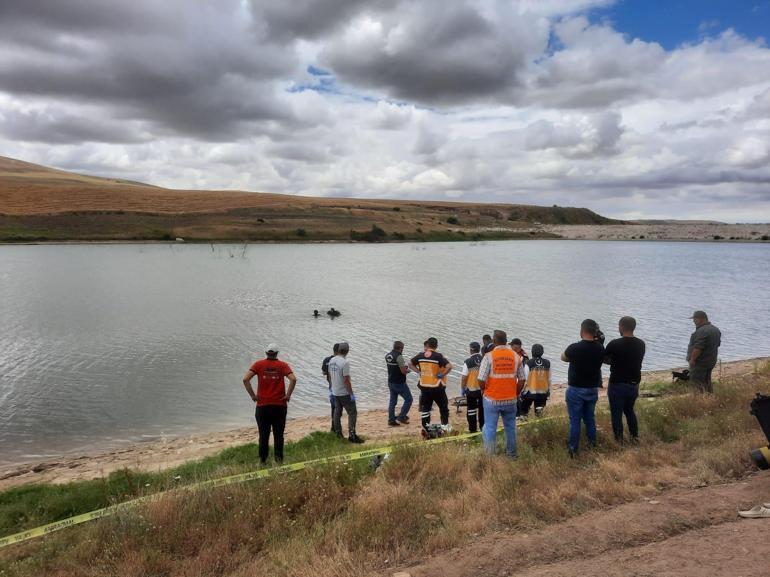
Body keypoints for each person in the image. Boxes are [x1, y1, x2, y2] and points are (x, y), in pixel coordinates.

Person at [242, 343, 297, 465]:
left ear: (266, 353)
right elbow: (293, 379)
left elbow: (245, 379)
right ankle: (279, 460)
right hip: (279, 406)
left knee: (263, 435)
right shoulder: (283, 365)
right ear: (277, 353)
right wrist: (288, 395)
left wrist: (253, 396)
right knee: (279, 435)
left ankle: (263, 461)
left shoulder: (258, 365)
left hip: (262, 406)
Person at [477, 330, 526, 457]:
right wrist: (515, 392)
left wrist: (484, 389)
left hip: (492, 399)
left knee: (490, 428)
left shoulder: (488, 356)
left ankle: (490, 457)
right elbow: (522, 379)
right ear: (506, 341)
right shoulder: (516, 356)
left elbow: (481, 379)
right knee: (510, 428)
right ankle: (512, 455)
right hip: (511, 399)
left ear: (494, 341)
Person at [561, 319, 605, 457]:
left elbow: (563, 357)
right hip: (592, 389)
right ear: (595, 332)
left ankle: (573, 450)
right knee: (590, 419)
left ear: (582, 330)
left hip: (576, 389)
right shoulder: (600, 348)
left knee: (575, 421)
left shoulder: (574, 348)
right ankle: (592, 445)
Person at [604, 316, 646, 443]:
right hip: (634, 383)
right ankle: (634, 438)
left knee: (616, 414)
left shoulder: (614, 344)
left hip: (617, 383)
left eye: (618, 326)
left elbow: (604, 359)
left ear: (621, 326)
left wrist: (614, 361)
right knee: (629, 411)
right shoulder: (641, 344)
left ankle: (619, 441)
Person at [410, 337, 453, 434]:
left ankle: (426, 428)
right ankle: (445, 426)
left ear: (427, 345)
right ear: (436, 346)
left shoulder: (420, 355)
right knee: (443, 407)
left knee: (426, 408)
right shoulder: (438, 356)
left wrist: (419, 372)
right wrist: (442, 374)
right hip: (437, 387)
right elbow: (449, 366)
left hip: (424, 386)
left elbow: (410, 364)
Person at [328, 342, 364, 443]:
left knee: (337, 412)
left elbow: (330, 376)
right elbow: (346, 380)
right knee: (352, 412)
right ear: (347, 351)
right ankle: (352, 435)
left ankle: (338, 433)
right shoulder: (345, 362)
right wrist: (351, 394)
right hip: (344, 393)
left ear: (338, 350)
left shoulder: (332, 360)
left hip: (335, 392)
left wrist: (331, 389)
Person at [687, 311, 721, 394]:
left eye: (695, 319)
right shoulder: (715, 329)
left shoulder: (701, 331)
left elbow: (698, 348)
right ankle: (709, 398)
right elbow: (718, 344)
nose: (693, 321)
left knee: (697, 382)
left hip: (700, 362)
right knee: (707, 381)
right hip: (711, 361)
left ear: (701, 319)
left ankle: (699, 401)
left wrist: (692, 359)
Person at [519, 344, 551, 418]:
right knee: (539, 414)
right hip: (543, 392)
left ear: (532, 352)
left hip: (529, 393)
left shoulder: (529, 363)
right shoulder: (547, 363)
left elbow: (525, 379)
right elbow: (549, 379)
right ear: (542, 352)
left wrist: (521, 392)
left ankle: (524, 419)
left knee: (524, 412)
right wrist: (548, 392)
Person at [386, 341, 412, 426]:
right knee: (409, 399)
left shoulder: (388, 355)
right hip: (399, 383)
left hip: (391, 381)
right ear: (401, 348)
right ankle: (401, 417)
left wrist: (402, 367)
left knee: (392, 401)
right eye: (403, 348)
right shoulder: (399, 357)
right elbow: (403, 371)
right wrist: (408, 370)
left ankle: (391, 420)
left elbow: (394, 367)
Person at [460, 342, 484, 432]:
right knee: (482, 410)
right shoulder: (484, 359)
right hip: (483, 390)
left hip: (471, 390)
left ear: (471, 350)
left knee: (471, 410)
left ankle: (472, 429)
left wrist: (462, 389)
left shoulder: (468, 362)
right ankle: (483, 428)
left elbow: (464, 378)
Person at [322, 343, 339, 431]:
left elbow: (324, 372)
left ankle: (333, 427)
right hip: (340, 387)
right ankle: (335, 427)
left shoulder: (327, 360)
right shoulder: (340, 360)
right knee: (338, 408)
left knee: (333, 407)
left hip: (331, 386)